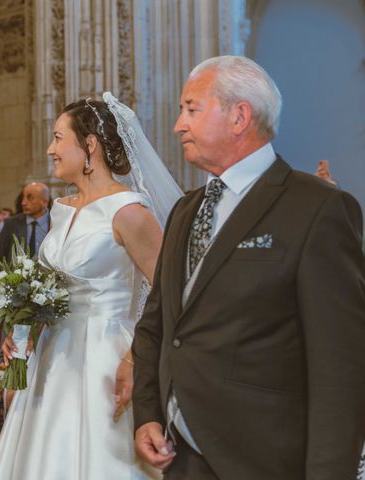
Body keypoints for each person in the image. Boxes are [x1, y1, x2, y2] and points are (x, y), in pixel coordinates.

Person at [132, 56, 365, 480]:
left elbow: (340, 367)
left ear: (240, 116)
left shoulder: (316, 208)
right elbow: (159, 325)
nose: (178, 125)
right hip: (180, 456)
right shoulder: (185, 210)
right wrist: (147, 411)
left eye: (191, 108)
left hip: (266, 459)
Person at [0, 93, 183, 479]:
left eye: (59, 138)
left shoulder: (129, 211)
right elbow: (51, 289)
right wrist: (21, 330)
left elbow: (168, 293)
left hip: (105, 357)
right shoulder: (62, 209)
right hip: (51, 356)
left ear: (89, 144)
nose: (50, 149)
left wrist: (133, 359)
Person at [0, 182, 51, 271]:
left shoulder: (56, 223)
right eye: (23, 197)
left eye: (30, 198)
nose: (23, 203)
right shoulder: (11, 224)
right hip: (16, 282)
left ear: (44, 202)